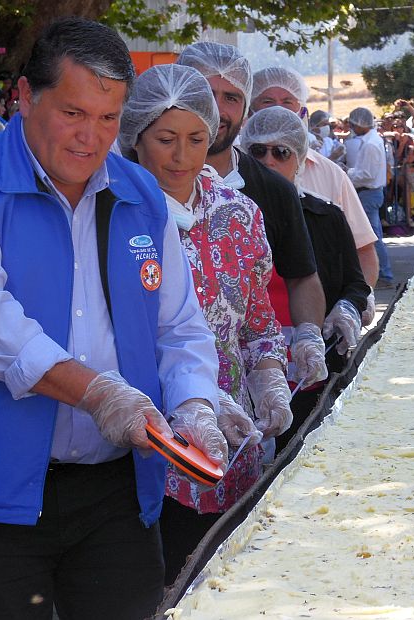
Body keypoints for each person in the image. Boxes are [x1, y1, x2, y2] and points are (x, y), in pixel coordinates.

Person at [0, 18, 226, 619]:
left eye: (109, 119)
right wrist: (103, 395)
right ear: (24, 98)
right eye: (73, 113)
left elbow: (178, 326)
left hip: (113, 492)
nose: (91, 138)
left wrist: (195, 404)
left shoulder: (141, 194)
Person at [119, 62, 291, 586]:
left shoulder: (238, 214)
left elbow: (258, 320)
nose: (180, 155)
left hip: (231, 442)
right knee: (156, 583)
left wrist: (268, 377)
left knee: (221, 579)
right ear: (136, 137)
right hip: (148, 440)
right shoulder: (115, 212)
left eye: (196, 138)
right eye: (165, 138)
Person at [175, 43, 328, 392]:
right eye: (204, 91)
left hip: (245, 400)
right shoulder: (134, 183)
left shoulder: (273, 190)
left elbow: (302, 277)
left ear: (246, 110)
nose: (216, 108)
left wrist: (307, 335)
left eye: (231, 97)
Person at [239, 106, 370, 452]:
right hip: (247, 376)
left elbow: (356, 283)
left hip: (307, 373)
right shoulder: (225, 218)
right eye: (258, 151)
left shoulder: (326, 217)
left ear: (299, 159)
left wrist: (347, 308)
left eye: (281, 152)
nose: (269, 160)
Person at [250, 66, 380, 312]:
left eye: (287, 101)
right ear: (251, 109)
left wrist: (356, 301)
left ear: (302, 111)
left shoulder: (330, 175)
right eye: (267, 101)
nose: (278, 109)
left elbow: (363, 250)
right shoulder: (230, 174)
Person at [345, 106, 393, 288]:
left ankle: (384, 274)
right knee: (373, 234)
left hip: (369, 192)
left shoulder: (371, 144)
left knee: (371, 237)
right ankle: (383, 273)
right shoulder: (371, 141)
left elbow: (367, 174)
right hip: (369, 192)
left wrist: (347, 172)